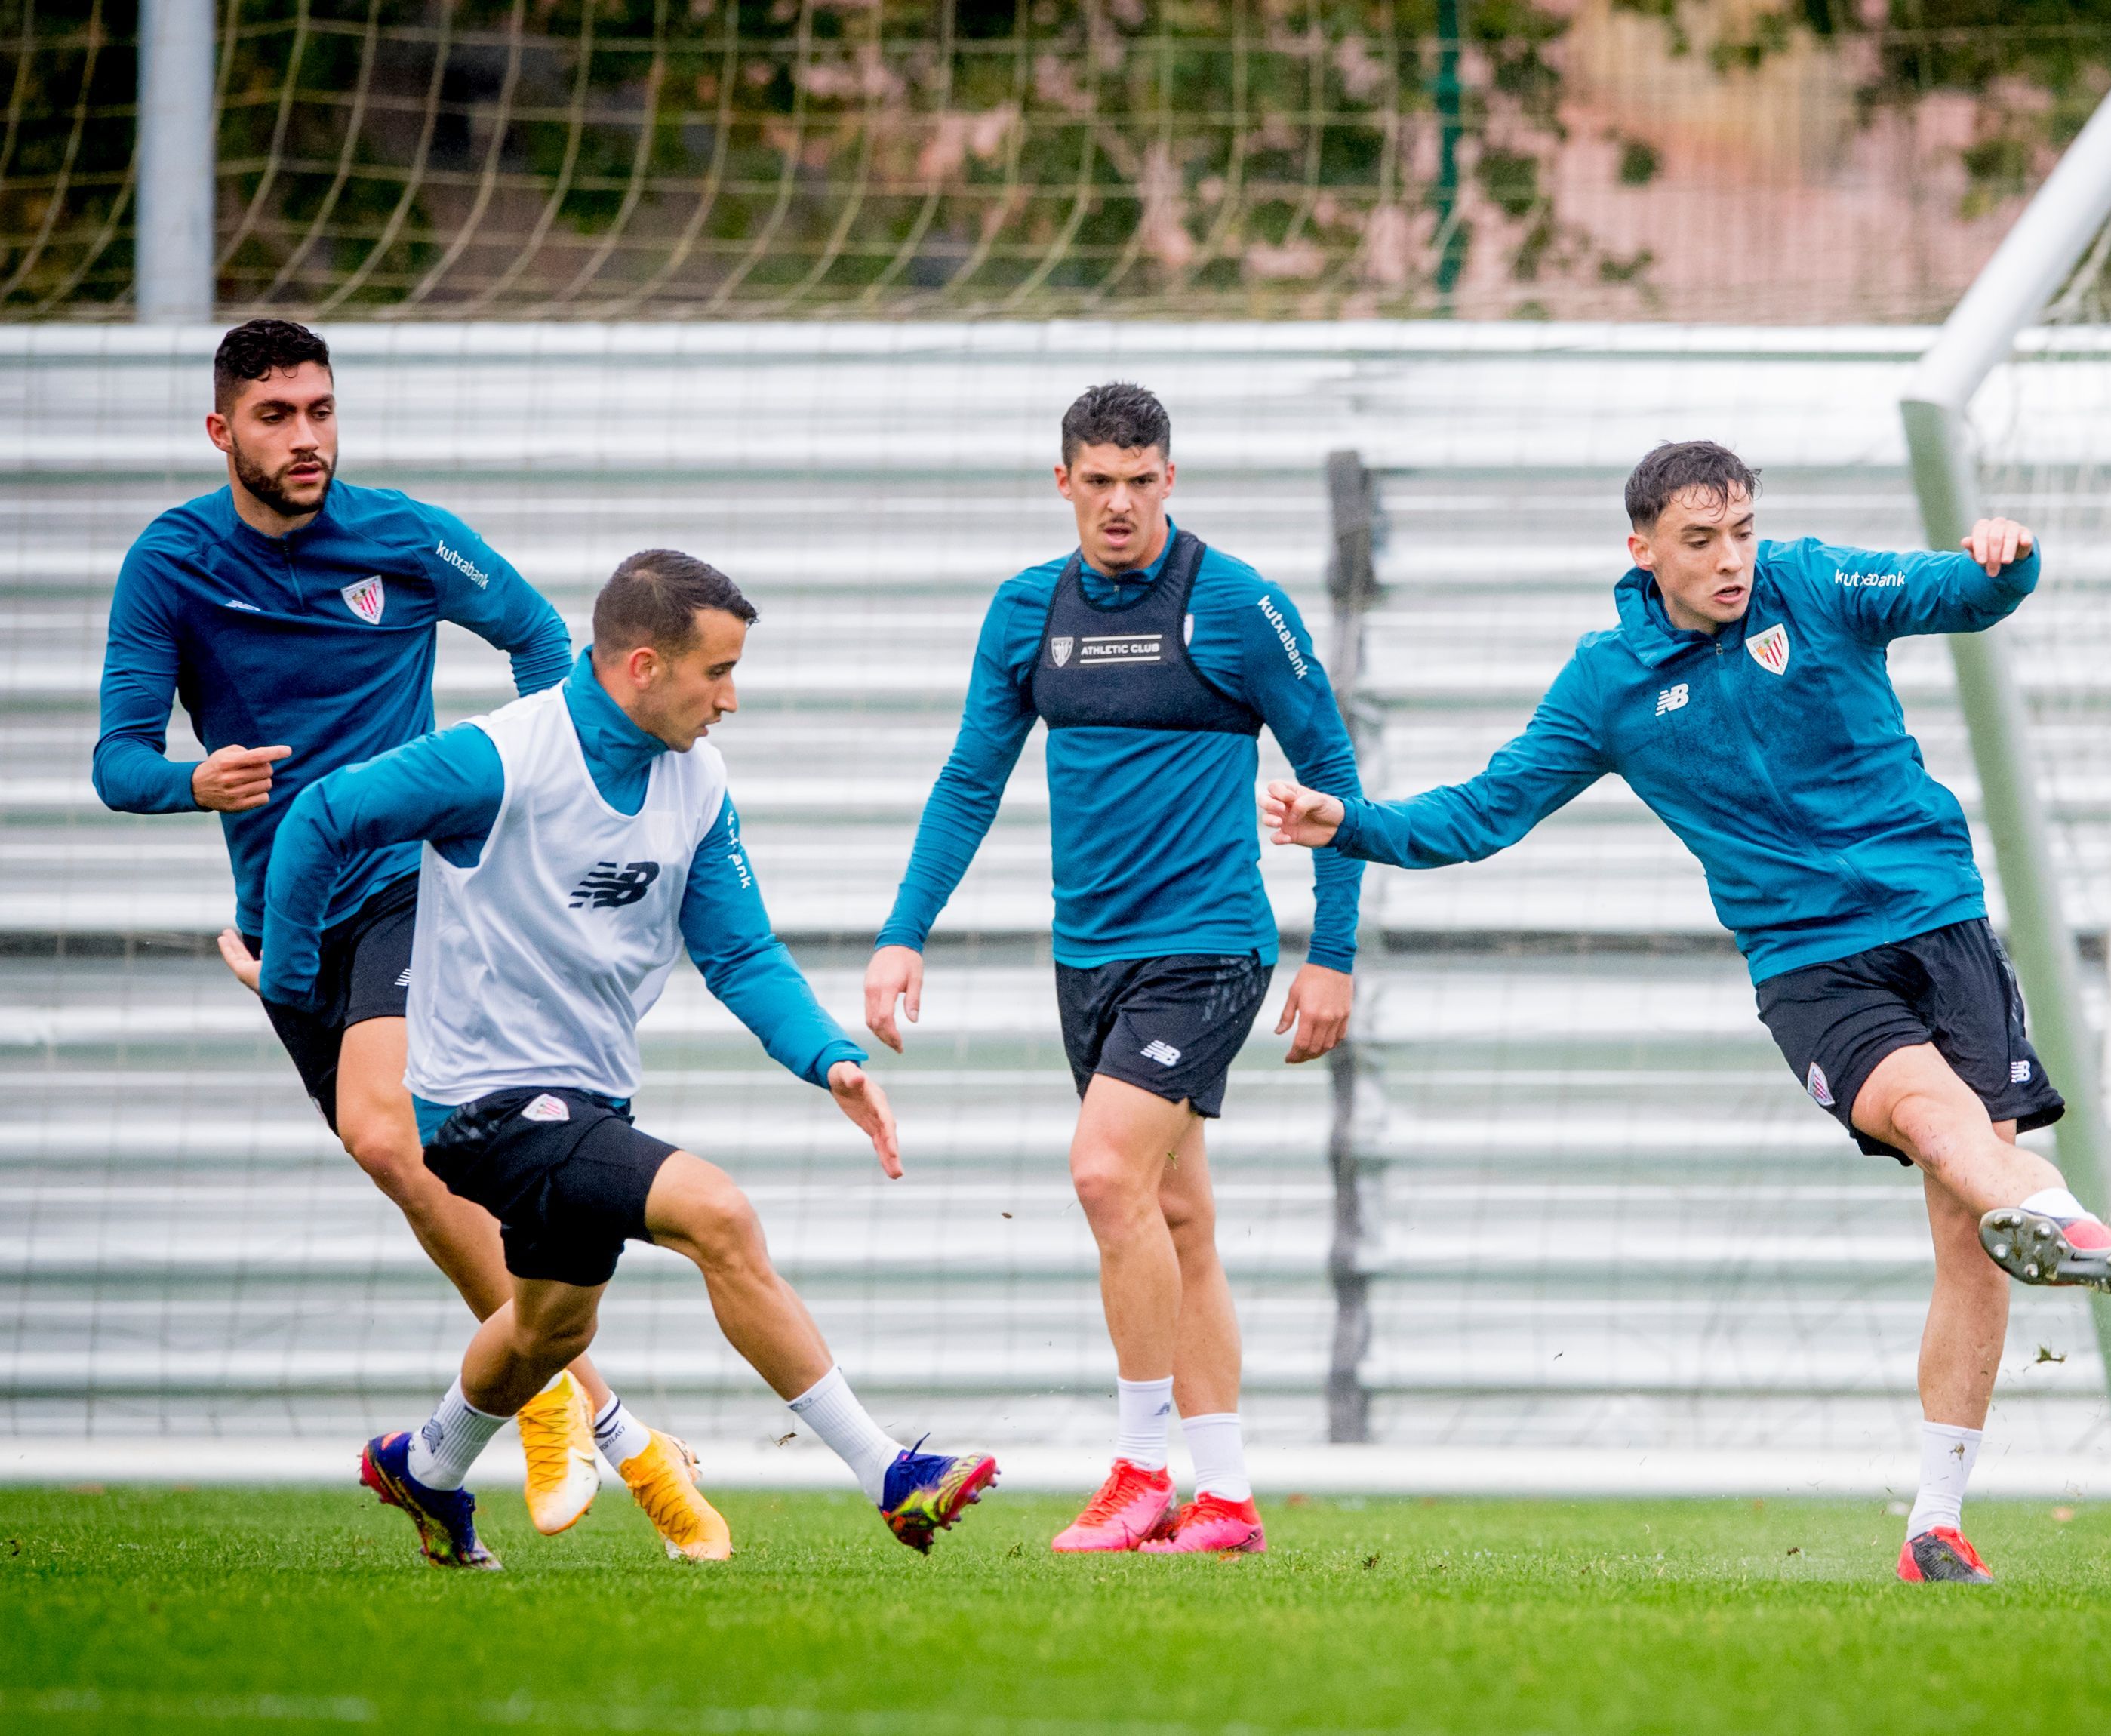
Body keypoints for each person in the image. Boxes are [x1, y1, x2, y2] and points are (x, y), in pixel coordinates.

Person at [1259, 440, 2111, 1586]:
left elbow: (1957, 592)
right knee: (1937, 1128)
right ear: (1641, 551)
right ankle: (2070, 1222)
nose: (1730, 560)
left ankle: (1935, 1523)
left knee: (1966, 1233)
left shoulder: (1816, 585)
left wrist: (2004, 558)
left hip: (1942, 926)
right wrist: (1353, 823)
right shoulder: (1608, 685)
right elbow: (1482, 813)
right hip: (1812, 968)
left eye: (1741, 532)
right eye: (1699, 542)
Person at [261, 549, 995, 1568]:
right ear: (643, 665)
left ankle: (422, 1470)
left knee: (545, 1334)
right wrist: (296, 978)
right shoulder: (499, 759)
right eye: (718, 673)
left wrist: (828, 1059)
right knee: (720, 1216)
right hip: (478, 1107)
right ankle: (890, 1475)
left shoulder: (696, 781)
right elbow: (322, 816)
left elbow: (738, 951)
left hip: (586, 1101)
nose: (731, 699)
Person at [94, 318, 672, 1541]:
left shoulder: (405, 537)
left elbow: (542, 644)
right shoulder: (170, 564)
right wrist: (189, 785)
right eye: (275, 415)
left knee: (387, 1131)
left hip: (416, 881)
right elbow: (115, 763)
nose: (306, 436)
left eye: (320, 409)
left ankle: (554, 1401)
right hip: (286, 910)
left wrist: (529, 808)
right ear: (221, 432)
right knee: (399, 1160)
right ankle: (535, 1433)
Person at [863, 383, 1364, 1556]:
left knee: (1101, 1178)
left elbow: (1332, 766)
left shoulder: (1236, 603)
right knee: (1175, 1214)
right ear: (1064, 484)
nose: (1121, 503)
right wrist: (902, 931)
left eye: (1142, 480)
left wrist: (1331, 955)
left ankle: (1140, 1470)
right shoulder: (1026, 612)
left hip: (1210, 951)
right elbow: (969, 782)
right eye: (1099, 482)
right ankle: (1227, 1498)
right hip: (1086, 960)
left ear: (1171, 481)